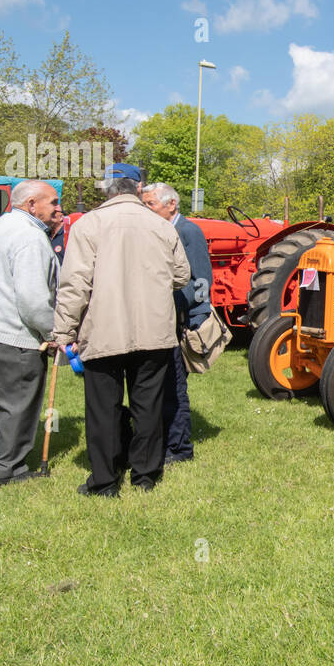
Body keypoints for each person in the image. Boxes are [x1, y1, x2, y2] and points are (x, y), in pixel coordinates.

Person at [53, 174, 191, 496]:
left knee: (103, 409)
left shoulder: (89, 224)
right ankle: (144, 477)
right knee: (148, 406)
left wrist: (63, 331)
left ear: (109, 195)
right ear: (136, 193)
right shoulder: (161, 226)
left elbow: (75, 284)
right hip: (153, 330)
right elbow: (182, 275)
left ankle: (104, 481)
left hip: (103, 330)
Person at [0, 180, 61, 487]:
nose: (58, 207)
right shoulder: (30, 238)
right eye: (53, 202)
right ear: (31, 204)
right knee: (18, 402)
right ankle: (6, 470)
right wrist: (53, 332)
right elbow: (34, 300)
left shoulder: (1, 225)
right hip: (14, 334)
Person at [141, 181, 214, 464]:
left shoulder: (187, 231)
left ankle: (179, 447)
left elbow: (201, 279)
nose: (146, 210)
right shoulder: (159, 230)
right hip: (161, 320)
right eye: (144, 204)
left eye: (151, 205)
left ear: (171, 204)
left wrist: (194, 315)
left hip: (178, 319)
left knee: (174, 386)